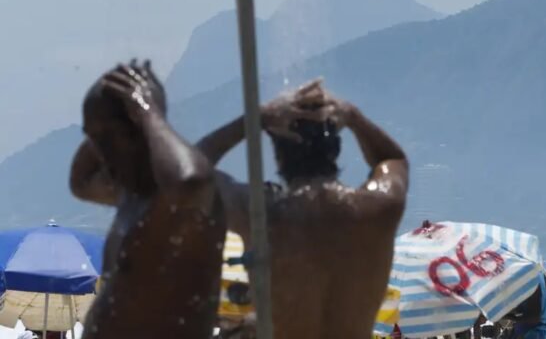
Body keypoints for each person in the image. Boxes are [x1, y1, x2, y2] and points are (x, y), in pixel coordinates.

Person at [197, 79, 409, 338]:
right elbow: (393, 159)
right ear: (336, 147)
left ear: (278, 156)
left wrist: (258, 118)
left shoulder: (259, 213)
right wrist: (353, 116)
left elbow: (191, 174)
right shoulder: (375, 210)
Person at [69, 61, 225, 338]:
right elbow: (79, 183)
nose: (100, 154)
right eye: (94, 139)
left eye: (109, 138)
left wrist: (149, 111)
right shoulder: (130, 197)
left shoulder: (175, 207)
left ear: (141, 130)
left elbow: (190, 179)